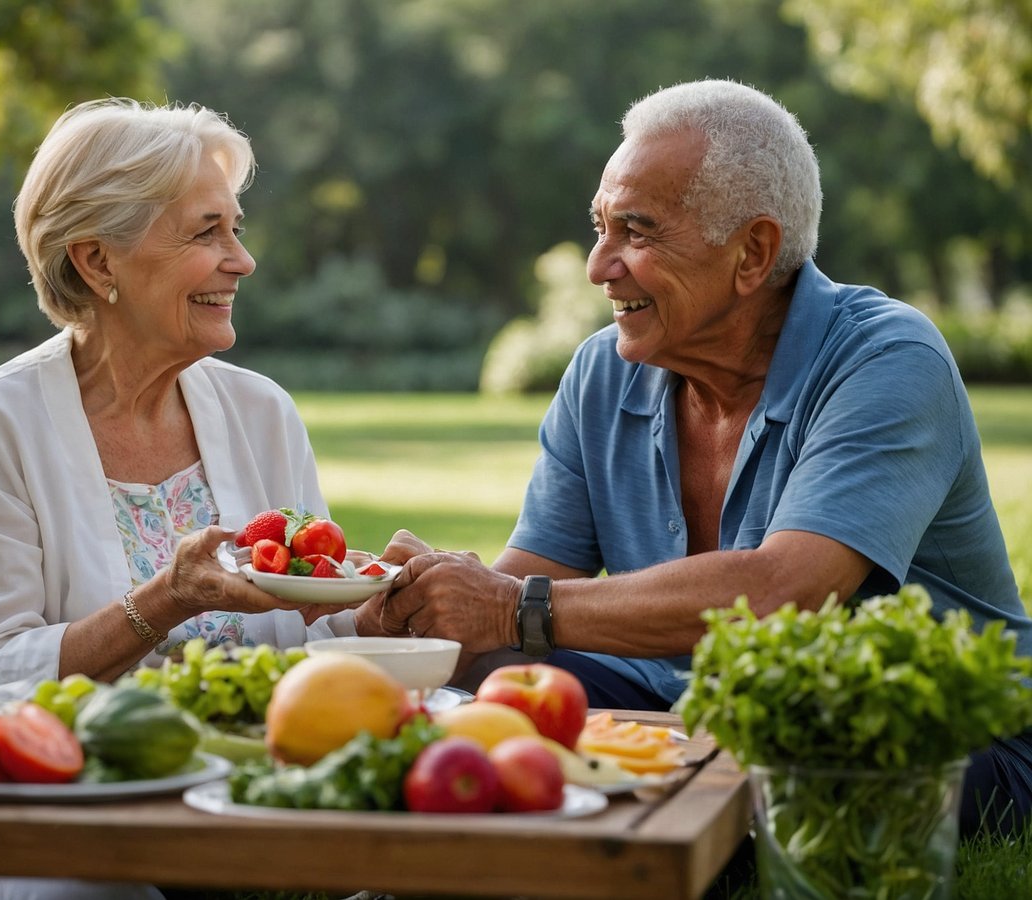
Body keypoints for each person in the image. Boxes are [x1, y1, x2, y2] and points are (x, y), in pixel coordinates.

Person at [362, 79, 1032, 835]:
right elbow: (517, 591)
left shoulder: (886, 358)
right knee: (503, 681)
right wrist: (422, 605)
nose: (598, 265)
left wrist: (511, 607)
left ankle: (640, 849)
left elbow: (787, 593)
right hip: (690, 706)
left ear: (754, 252)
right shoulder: (602, 370)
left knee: (803, 751)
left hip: (927, 731)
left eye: (636, 232)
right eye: (600, 226)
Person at [0, 98, 353, 900]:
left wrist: (378, 607)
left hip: (245, 802)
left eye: (236, 228)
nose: (242, 260)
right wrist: (162, 600)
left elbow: (306, 627)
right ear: (98, 262)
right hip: (55, 812)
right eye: (207, 233)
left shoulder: (261, 410)